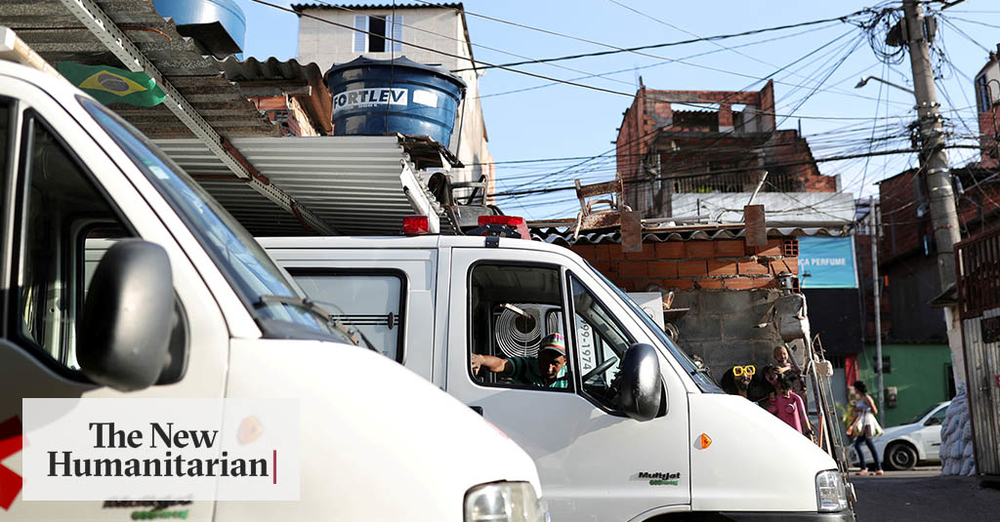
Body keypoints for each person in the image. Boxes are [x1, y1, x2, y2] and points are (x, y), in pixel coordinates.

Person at [470, 332, 569, 388]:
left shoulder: (570, 378)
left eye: (555, 363)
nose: (549, 369)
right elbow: (502, 364)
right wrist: (481, 359)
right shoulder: (526, 366)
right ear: (538, 355)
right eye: (545, 361)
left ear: (565, 361)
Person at [847, 380, 884, 476]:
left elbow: (874, 411)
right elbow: (857, 415)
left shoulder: (867, 398)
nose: (854, 390)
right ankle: (872, 468)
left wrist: (862, 409)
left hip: (867, 424)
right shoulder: (860, 399)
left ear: (858, 389)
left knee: (867, 444)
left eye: (855, 388)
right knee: (859, 445)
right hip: (862, 425)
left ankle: (873, 468)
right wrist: (851, 425)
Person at [764, 370, 814, 439]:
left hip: (795, 431)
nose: (780, 389)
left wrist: (808, 431)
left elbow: (803, 415)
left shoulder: (794, 397)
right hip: (781, 435)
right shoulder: (773, 399)